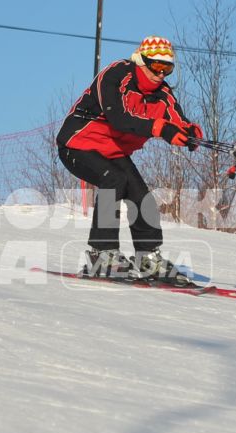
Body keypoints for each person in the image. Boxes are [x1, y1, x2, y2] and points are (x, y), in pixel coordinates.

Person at [55, 35, 202, 283]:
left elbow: (177, 121)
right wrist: (160, 129)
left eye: (168, 68)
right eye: (157, 66)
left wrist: (189, 134)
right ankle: (101, 255)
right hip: (77, 144)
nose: (161, 73)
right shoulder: (117, 75)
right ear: (141, 61)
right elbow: (119, 119)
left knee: (140, 194)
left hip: (113, 151)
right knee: (113, 178)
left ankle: (148, 258)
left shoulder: (163, 94)